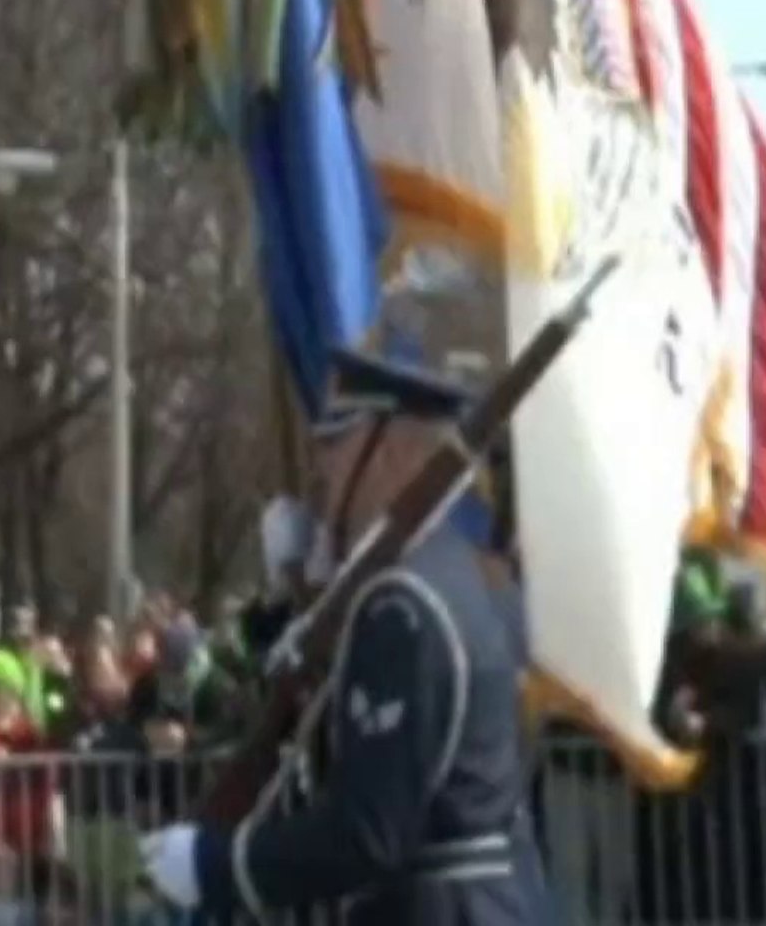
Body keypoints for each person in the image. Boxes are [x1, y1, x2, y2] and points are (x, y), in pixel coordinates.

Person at [138, 352, 551, 925]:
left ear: (385, 453)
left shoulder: (401, 606)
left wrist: (218, 865)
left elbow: (368, 831)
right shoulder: (477, 579)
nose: (321, 472)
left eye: (334, 446)